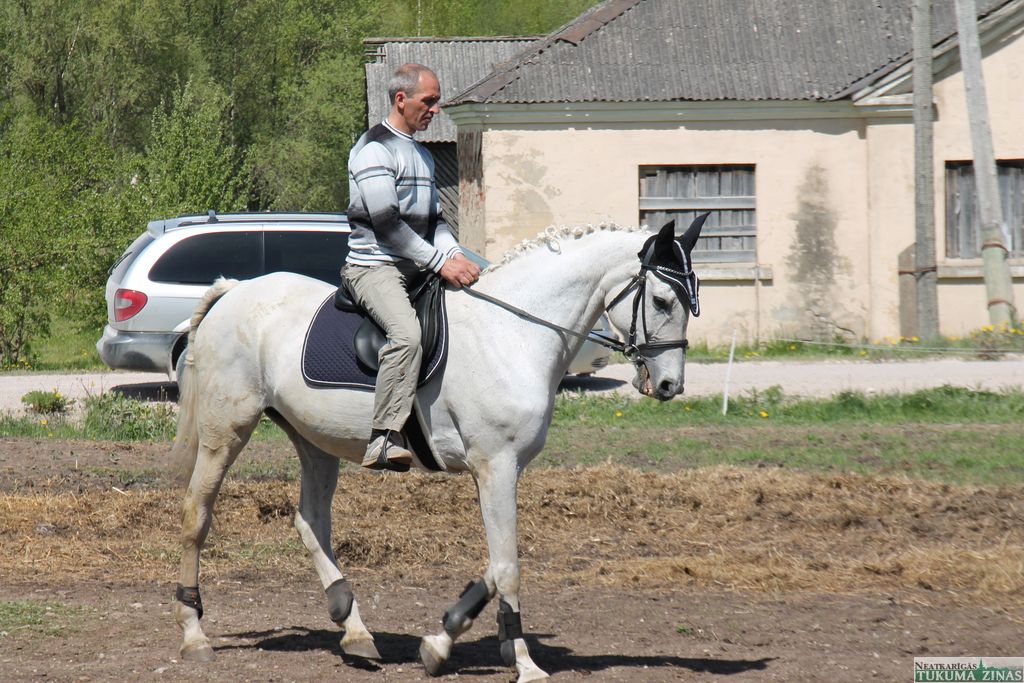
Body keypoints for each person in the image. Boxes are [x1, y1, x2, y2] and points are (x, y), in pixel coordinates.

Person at [342, 63, 480, 469]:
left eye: (437, 101)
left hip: (416, 266)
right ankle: (383, 438)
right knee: (406, 336)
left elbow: (435, 221)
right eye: (429, 101)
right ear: (401, 100)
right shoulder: (374, 150)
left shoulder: (421, 154)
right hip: (374, 267)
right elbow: (387, 226)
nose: (435, 110)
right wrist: (441, 263)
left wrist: (455, 255)